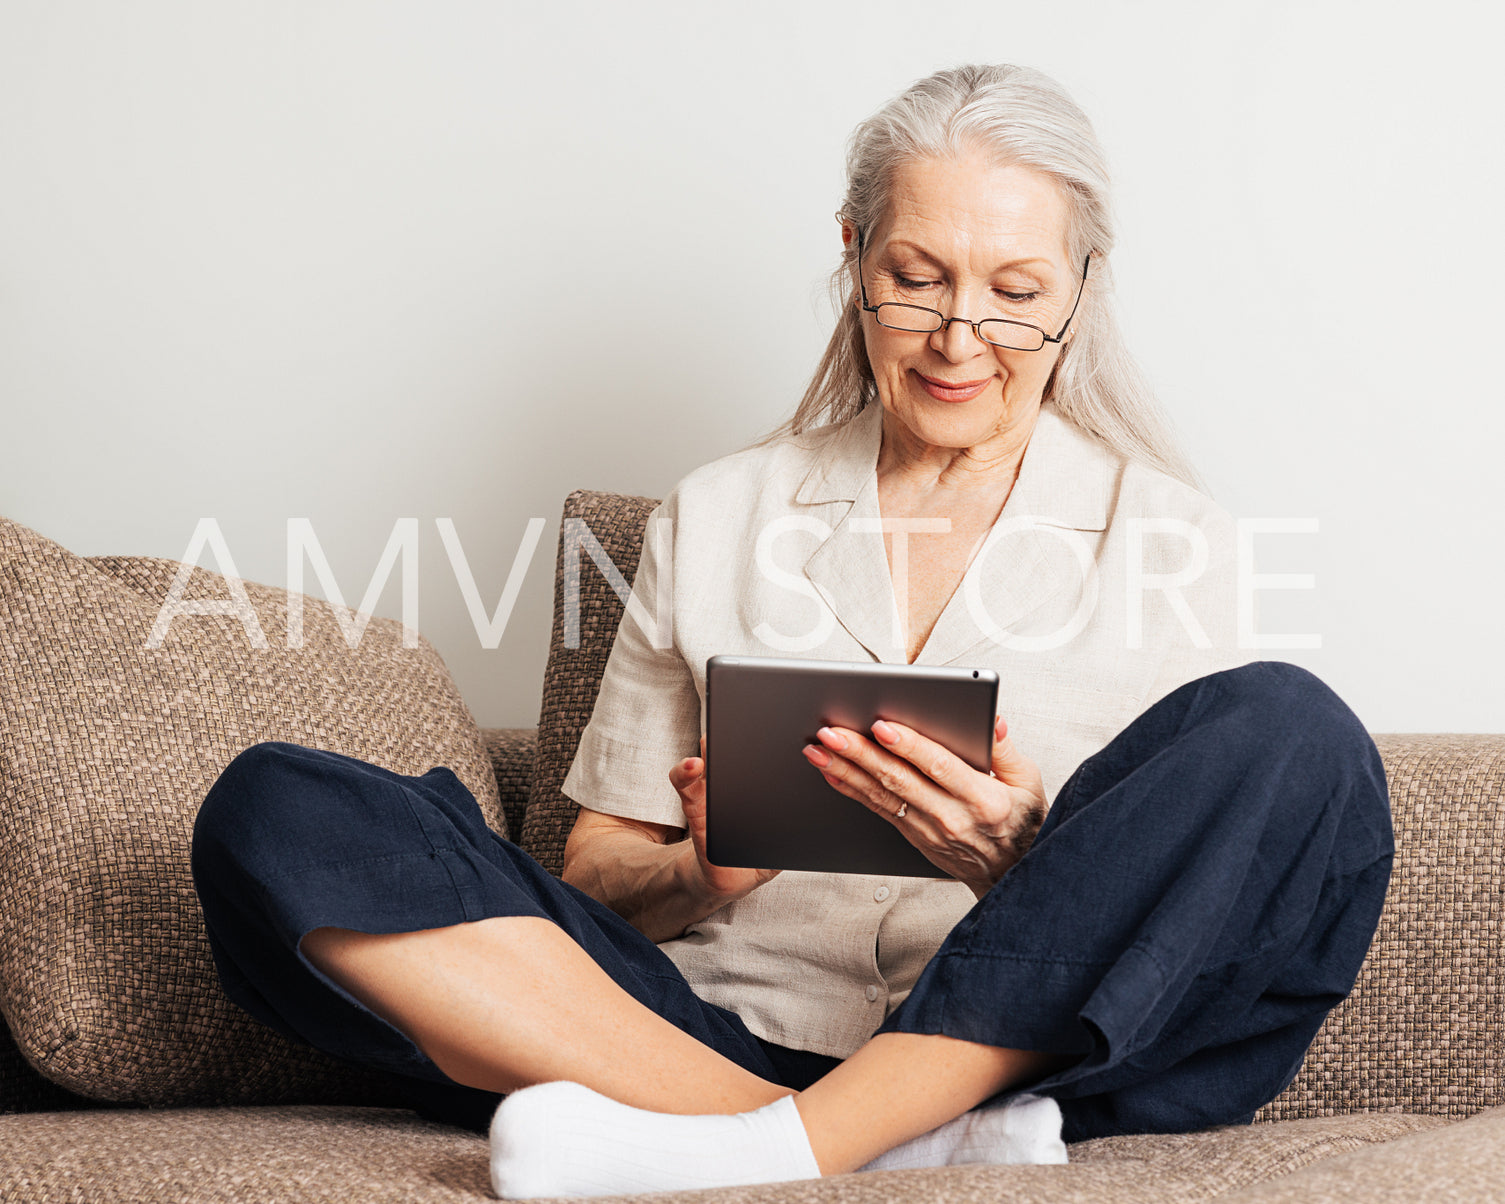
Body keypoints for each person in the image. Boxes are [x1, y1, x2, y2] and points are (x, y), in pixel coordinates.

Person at [191, 64, 1392, 1200]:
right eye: (916, 276)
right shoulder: (718, 513)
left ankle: (795, 1139)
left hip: (1028, 1065)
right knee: (277, 807)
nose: (959, 335)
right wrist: (700, 869)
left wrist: (1021, 859)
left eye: (1015, 294)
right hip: (698, 1030)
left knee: (1295, 729)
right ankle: (827, 1137)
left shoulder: (1174, 537)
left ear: (1079, 288)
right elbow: (598, 881)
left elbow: (1199, 897)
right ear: (851, 252)